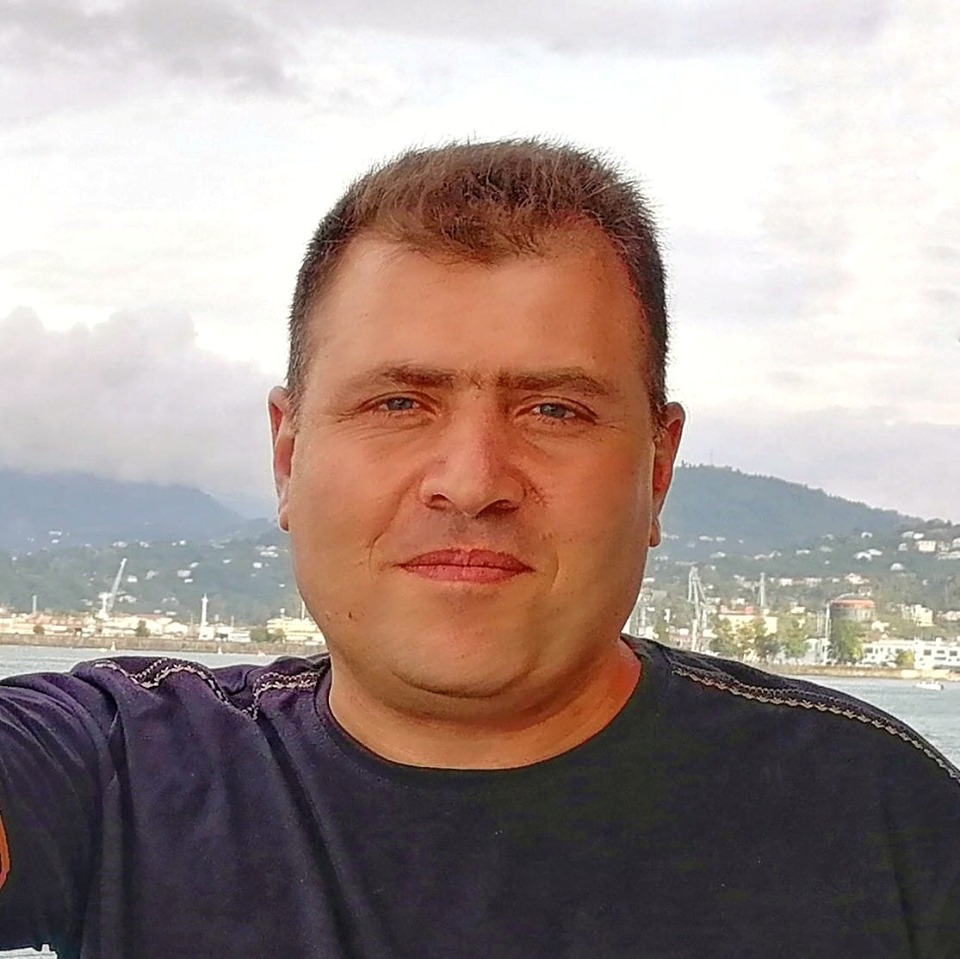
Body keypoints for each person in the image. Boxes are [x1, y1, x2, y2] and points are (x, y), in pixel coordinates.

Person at [0, 139, 958, 959]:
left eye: (554, 409)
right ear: (288, 457)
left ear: (658, 467)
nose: (471, 480)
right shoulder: (116, 766)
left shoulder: (883, 816)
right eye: (398, 402)